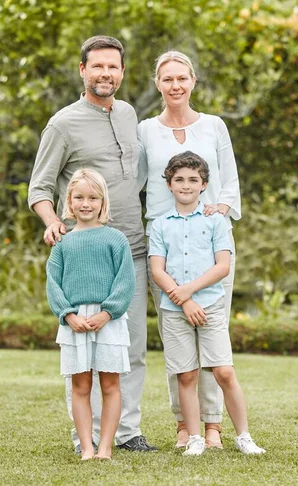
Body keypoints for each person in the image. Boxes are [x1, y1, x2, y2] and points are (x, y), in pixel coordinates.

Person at [28, 36, 157, 453]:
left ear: (122, 72)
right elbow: (40, 188)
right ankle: (84, 434)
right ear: (82, 70)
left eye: (113, 67)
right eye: (97, 66)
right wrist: (52, 222)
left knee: (129, 347)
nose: (106, 74)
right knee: (84, 354)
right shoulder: (62, 124)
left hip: (131, 250)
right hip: (85, 257)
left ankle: (127, 433)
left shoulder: (129, 114)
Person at [138, 50, 242, 448]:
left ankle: (214, 425)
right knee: (176, 337)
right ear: (157, 84)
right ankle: (185, 425)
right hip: (164, 248)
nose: (175, 85)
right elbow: (135, 182)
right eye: (168, 79)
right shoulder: (146, 130)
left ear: (193, 81)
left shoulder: (214, 126)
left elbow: (229, 180)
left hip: (208, 248)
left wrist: (223, 207)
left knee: (213, 338)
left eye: (182, 78)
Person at [148, 151, 265, 456]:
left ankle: (243, 436)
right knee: (186, 374)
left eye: (193, 180)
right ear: (169, 184)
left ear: (203, 185)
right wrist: (183, 300)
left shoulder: (216, 222)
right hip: (175, 311)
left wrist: (189, 291)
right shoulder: (159, 225)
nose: (186, 185)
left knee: (223, 371)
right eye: (179, 180)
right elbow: (157, 271)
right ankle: (195, 437)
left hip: (210, 305)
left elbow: (222, 266)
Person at [48, 169, 134, 460]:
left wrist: (107, 313)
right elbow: (53, 284)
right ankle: (87, 446)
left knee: (110, 384)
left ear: (102, 202)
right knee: (80, 385)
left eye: (93, 198)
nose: (86, 203)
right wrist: (68, 315)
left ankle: (106, 447)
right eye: (79, 197)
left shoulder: (116, 239)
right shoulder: (62, 244)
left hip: (108, 320)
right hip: (74, 321)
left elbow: (125, 281)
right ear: (69, 202)